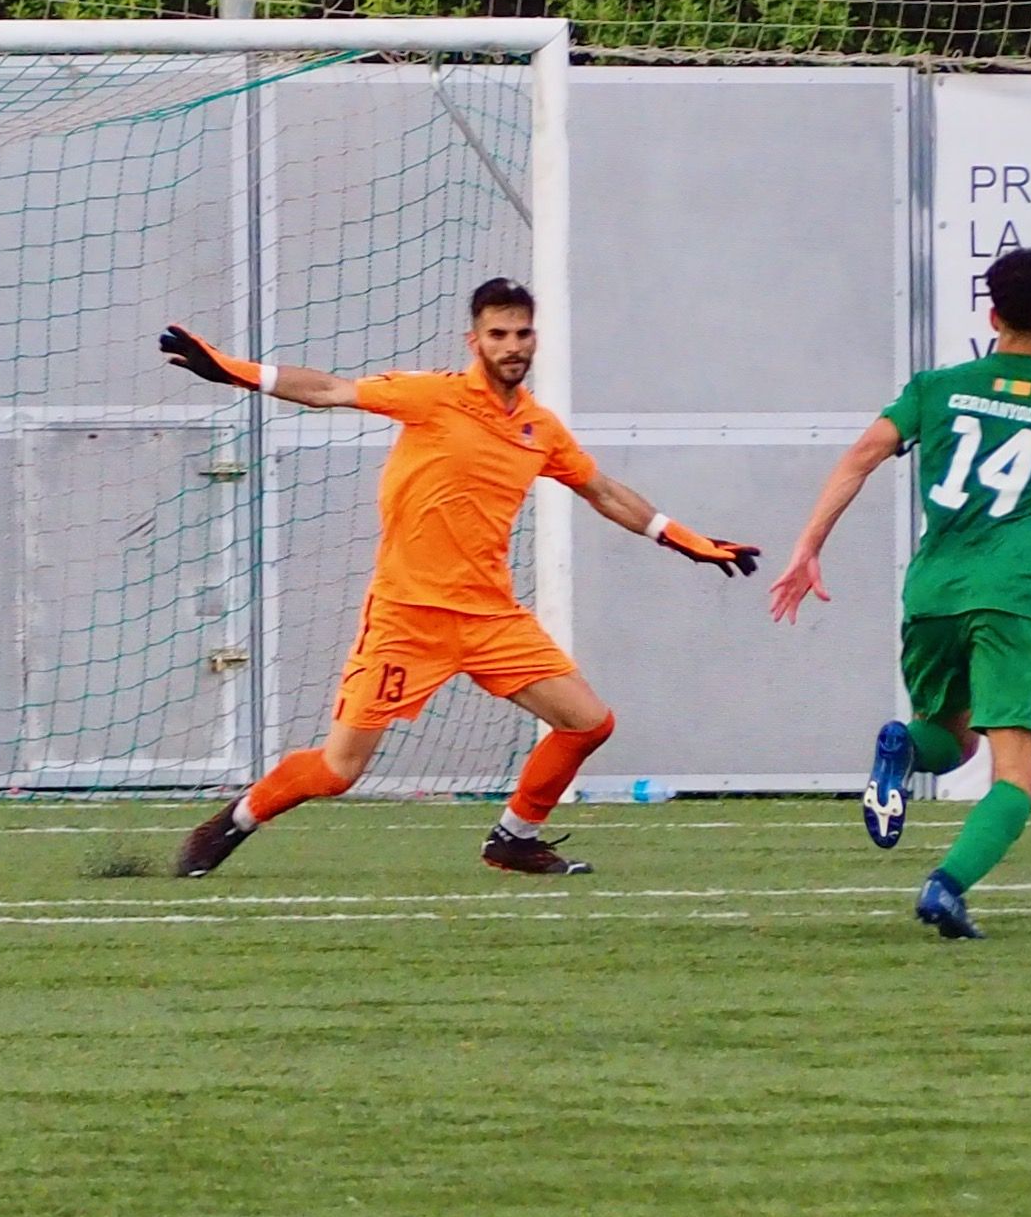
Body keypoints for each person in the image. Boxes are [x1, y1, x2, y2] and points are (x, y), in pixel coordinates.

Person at [158, 278, 758, 880]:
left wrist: (686, 539)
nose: (512, 345)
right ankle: (232, 823)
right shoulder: (431, 396)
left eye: (522, 333)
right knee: (338, 772)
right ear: (474, 341)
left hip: (490, 616)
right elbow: (329, 390)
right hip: (406, 617)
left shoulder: (540, 429)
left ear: (534, 339)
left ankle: (515, 839)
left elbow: (601, 491)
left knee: (587, 722)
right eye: (499, 334)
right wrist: (234, 371)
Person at [767, 247, 1031, 940]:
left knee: (951, 739)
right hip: (1011, 597)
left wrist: (808, 545)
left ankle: (897, 745)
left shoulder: (937, 386)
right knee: (1018, 772)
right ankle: (945, 885)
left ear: (990, 314)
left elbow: (861, 454)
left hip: (931, 592)